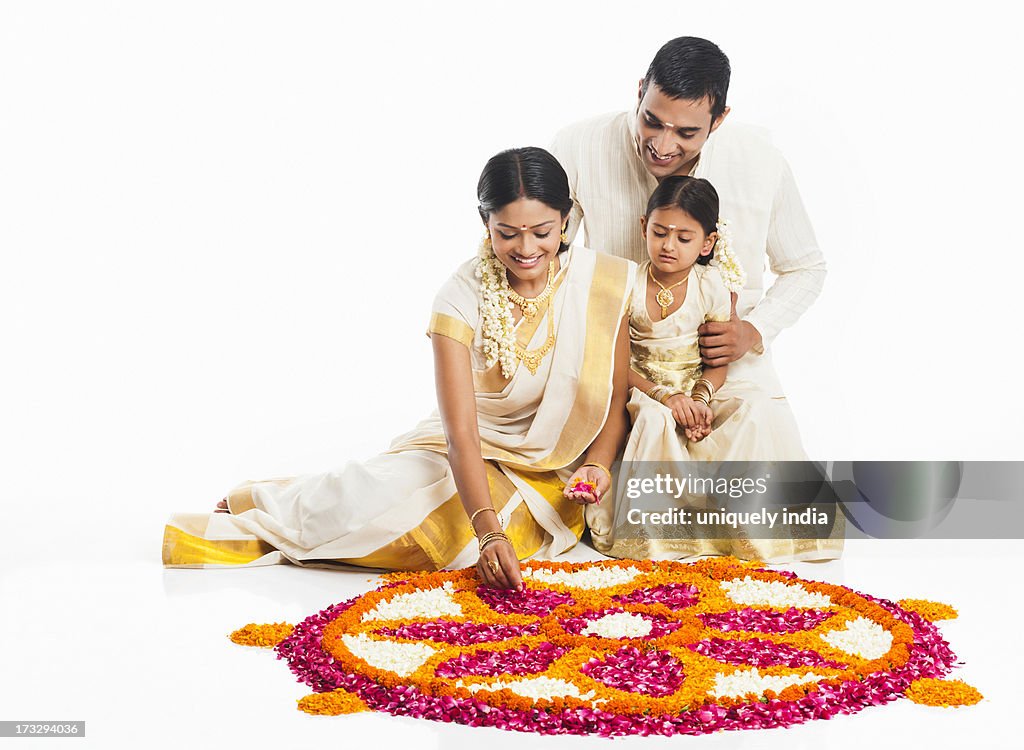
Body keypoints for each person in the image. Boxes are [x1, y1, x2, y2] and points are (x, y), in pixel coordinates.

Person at [162, 147, 636, 589]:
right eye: (507, 233)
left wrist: (595, 465)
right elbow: (461, 437)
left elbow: (614, 396)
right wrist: (490, 533)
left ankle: (295, 500)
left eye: (543, 232)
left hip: (553, 474)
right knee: (383, 507)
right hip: (465, 450)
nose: (526, 248)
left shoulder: (603, 284)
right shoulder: (459, 296)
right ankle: (270, 505)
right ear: (484, 223)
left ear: (566, 220)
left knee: (440, 544)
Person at [550, 37, 840, 560]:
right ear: (639, 93)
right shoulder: (579, 145)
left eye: (686, 132)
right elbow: (546, 255)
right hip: (619, 355)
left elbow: (806, 267)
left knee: (758, 428)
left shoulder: (760, 161)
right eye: (651, 121)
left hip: (719, 360)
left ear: (719, 118)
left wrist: (753, 331)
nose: (662, 144)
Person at [607, 175, 840, 562]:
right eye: (660, 232)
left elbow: (717, 363)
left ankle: (746, 527)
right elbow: (616, 362)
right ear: (643, 226)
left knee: (754, 409)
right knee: (654, 421)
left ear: (708, 242)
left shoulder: (712, 284)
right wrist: (667, 397)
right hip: (643, 388)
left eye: (684, 238)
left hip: (699, 386)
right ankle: (661, 535)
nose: (669, 245)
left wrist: (700, 397)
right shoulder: (626, 283)